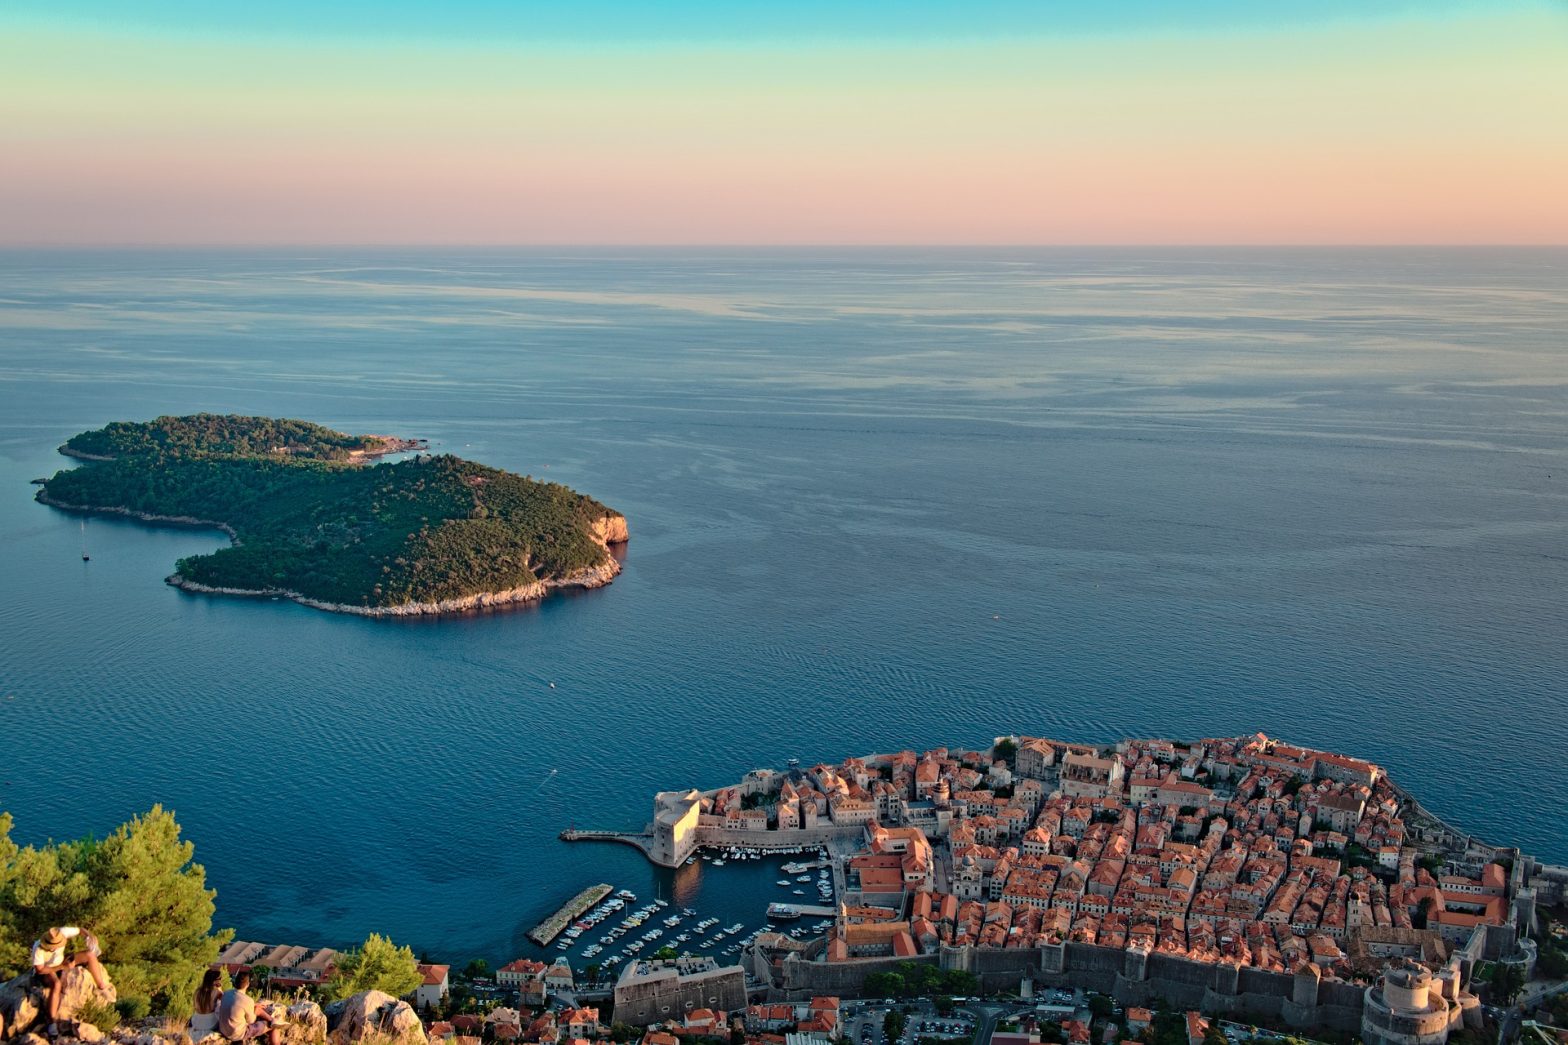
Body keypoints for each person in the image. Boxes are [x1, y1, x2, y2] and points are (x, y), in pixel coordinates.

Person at [31, 926, 113, 1037]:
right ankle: (52, 1022)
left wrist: (89, 936)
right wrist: (62, 967)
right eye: (51, 946)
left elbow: (80, 930)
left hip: (61, 961)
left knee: (90, 955)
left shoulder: (61, 934)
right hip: (48, 969)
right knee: (56, 984)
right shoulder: (38, 948)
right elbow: (40, 969)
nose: (53, 948)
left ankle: (101, 987)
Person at [216, 969, 280, 1045]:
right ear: (248, 984)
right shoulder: (247, 1000)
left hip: (223, 1030)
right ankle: (273, 1021)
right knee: (274, 1026)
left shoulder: (226, 993)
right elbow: (251, 1021)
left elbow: (236, 1004)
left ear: (235, 982)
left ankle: (271, 1019)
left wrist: (253, 1005)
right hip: (237, 1034)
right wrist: (256, 1012)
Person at [190, 969, 224, 1039]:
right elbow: (225, 1003)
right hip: (210, 1023)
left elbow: (194, 1006)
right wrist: (220, 989)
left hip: (196, 1021)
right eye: (219, 979)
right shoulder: (217, 992)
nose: (220, 981)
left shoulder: (197, 991)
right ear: (214, 980)